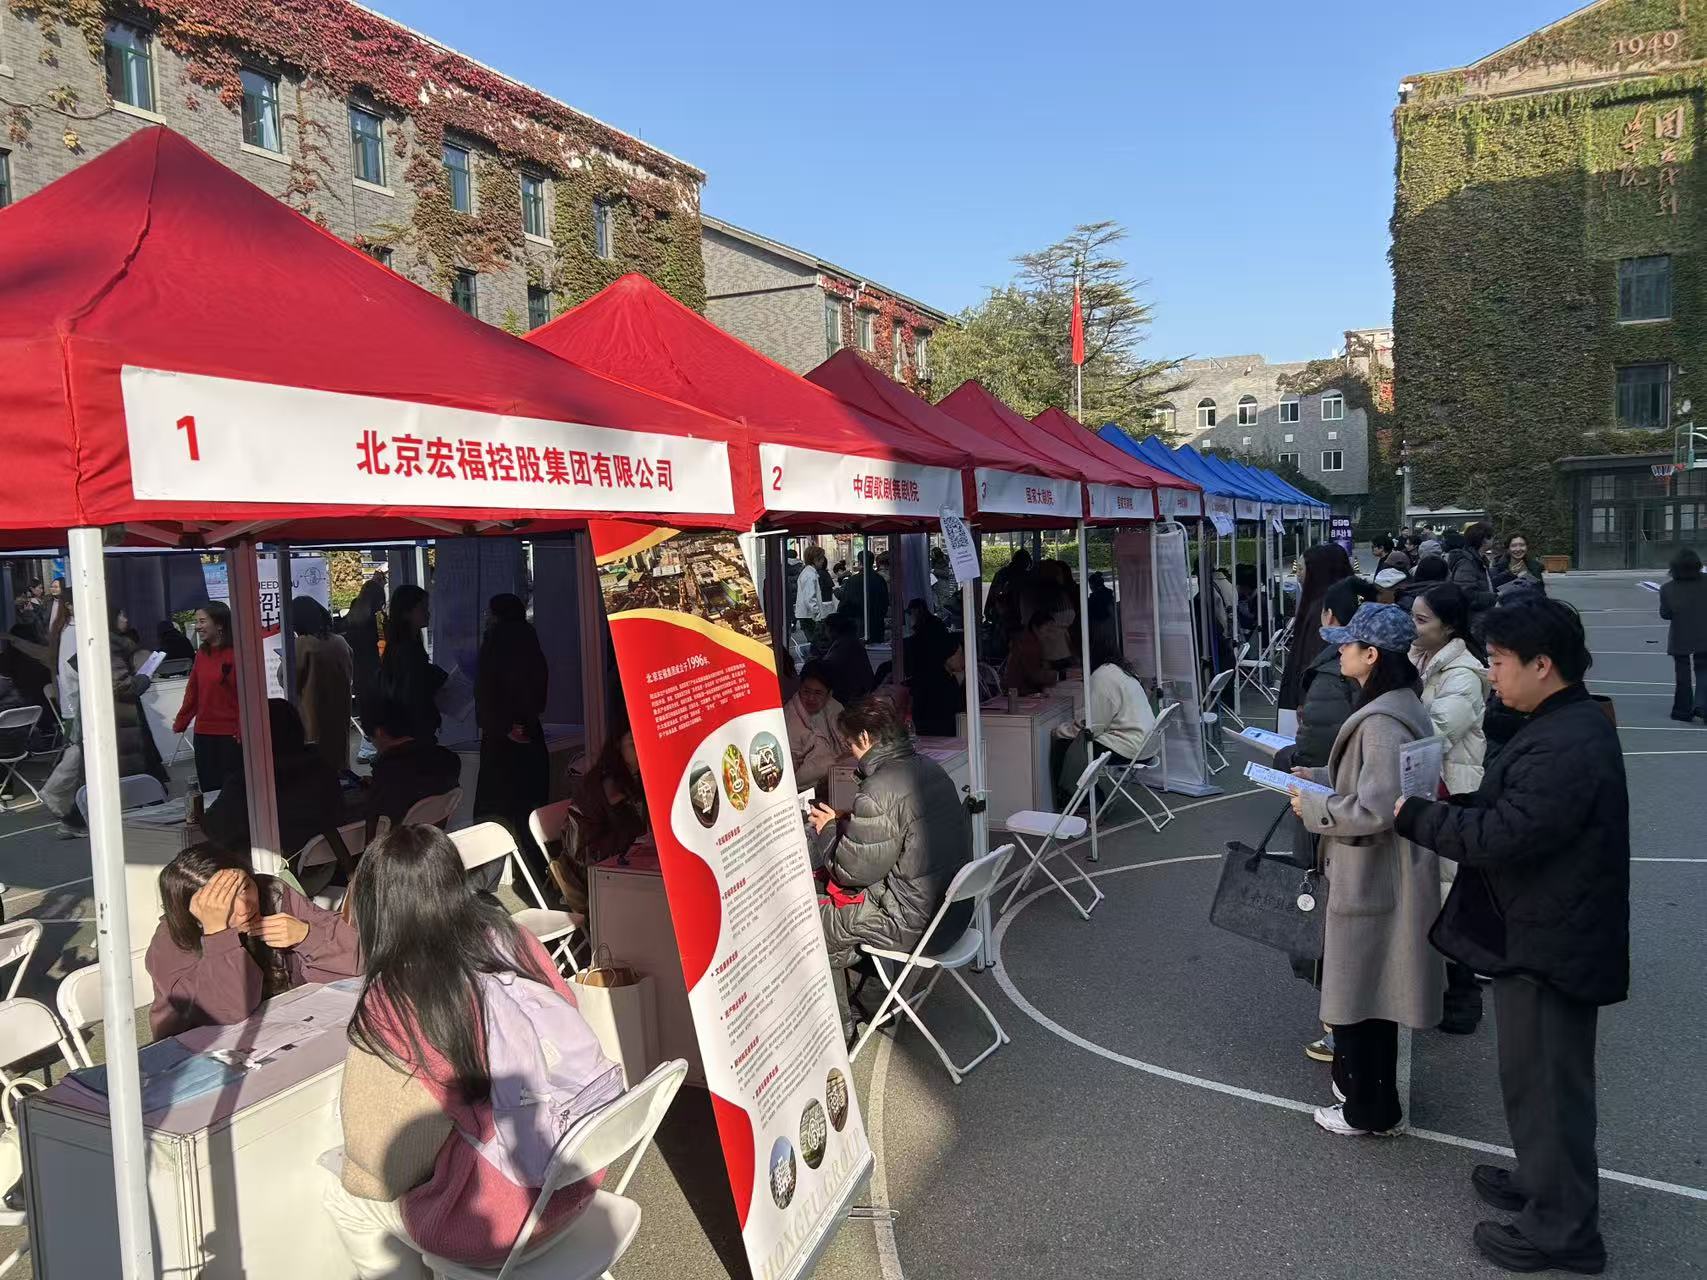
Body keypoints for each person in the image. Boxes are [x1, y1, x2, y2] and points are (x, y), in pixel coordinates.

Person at [1396, 598, 1626, 1274]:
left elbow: (1504, 835)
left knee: (1550, 1085)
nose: (1491, 674)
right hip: (1540, 928)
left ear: (1542, 664)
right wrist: (1452, 804)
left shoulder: (1567, 742)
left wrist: (1415, 815)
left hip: (1554, 940)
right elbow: (1510, 807)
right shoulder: (1556, 723)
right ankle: (1542, 1180)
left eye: (1498, 661)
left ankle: (1564, 1230)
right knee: (1530, 1077)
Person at [323, 824, 617, 1278]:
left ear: (377, 906)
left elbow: (384, 1167)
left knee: (345, 1196)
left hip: (497, 1224)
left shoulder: (394, 998)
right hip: (579, 1174)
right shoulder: (512, 938)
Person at [1287, 602, 1442, 1138]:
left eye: (1347, 645)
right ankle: (1367, 1099)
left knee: (1361, 996)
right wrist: (1319, 778)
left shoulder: (1380, 722)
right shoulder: (1399, 707)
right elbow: (1374, 784)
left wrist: (1315, 805)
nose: (1339, 653)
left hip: (1370, 872)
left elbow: (1377, 808)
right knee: (1371, 995)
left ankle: (1367, 1109)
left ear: (1371, 655)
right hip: (1382, 870)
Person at [806, 696, 973, 1040]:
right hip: (954, 912)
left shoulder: (879, 789)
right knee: (850, 917)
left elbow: (851, 872)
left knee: (815, 925)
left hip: (915, 923)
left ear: (865, 738)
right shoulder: (930, 768)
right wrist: (851, 821)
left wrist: (826, 830)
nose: (850, 752)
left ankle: (841, 1032)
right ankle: (875, 1005)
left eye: (850, 744)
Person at [1275, 577, 1363, 1065]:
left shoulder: (1335, 674)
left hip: (1334, 814)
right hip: (1344, 808)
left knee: (1323, 904)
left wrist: (1299, 766)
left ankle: (1339, 1025)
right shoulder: (1390, 687)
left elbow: (1320, 744)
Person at [146, 842, 360, 1039]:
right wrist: (218, 935)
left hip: (286, 1025)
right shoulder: (171, 941)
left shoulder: (272, 894)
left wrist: (307, 935)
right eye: (223, 903)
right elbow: (229, 1013)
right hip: (201, 1047)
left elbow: (358, 959)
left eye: (245, 888)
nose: (244, 908)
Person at [1409, 583, 1491, 1035]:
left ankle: (1462, 999)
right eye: (1413, 617)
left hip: (1452, 790)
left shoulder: (1464, 674)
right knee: (1433, 892)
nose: (1414, 626)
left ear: (1450, 626)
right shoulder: (1419, 658)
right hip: (1428, 788)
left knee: (1449, 893)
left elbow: (1436, 732)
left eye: (1422, 620)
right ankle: (1439, 991)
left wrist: (1387, 736)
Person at [39, 594, 166, 837]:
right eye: (121, 614)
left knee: (104, 773)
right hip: (115, 721)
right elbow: (122, 686)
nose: (126, 619)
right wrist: (143, 678)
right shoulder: (108, 646)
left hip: (111, 719)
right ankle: (77, 819)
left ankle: (80, 818)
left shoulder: (103, 642)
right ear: (110, 618)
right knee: (110, 774)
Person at [202, 699, 347, 860]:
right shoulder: (322, 767)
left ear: (255, 735)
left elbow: (217, 829)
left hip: (275, 867)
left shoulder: (248, 781)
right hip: (328, 863)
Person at [473, 594, 551, 887]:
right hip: (530, 735)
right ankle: (538, 876)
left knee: (494, 814)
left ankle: (484, 882)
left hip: (501, 741)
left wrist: (503, 726)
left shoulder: (494, 643)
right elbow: (538, 693)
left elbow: (485, 692)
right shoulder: (530, 641)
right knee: (530, 812)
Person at [555, 727, 648, 912]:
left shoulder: (638, 777)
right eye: (633, 744)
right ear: (617, 745)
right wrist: (629, 835)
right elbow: (582, 854)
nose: (641, 749)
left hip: (627, 863)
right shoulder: (598, 787)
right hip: (597, 876)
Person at [363, 699, 463, 843]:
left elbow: (376, 819)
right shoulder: (449, 758)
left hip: (395, 844)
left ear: (379, 732)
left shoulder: (388, 770)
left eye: (369, 738)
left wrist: (373, 790)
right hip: (430, 841)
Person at [1278, 543, 1356, 716]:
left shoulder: (1323, 610)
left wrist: (1303, 699)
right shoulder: (1343, 601)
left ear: (1318, 571)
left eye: (1301, 568)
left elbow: (1313, 657)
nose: (1298, 574)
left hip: (1314, 701)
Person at [174, 601, 242, 793]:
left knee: (231, 791)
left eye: (202, 621)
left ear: (219, 624)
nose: (198, 626)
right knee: (209, 790)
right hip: (204, 733)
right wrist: (182, 720)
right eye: (197, 622)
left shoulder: (238, 654)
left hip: (231, 735)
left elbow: (245, 698)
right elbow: (193, 691)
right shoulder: (201, 654)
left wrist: (242, 729)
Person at [293, 596, 356, 773]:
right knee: (339, 764)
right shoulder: (340, 642)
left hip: (313, 718)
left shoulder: (302, 644)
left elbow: (287, 679)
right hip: (340, 712)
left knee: (317, 770)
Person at [379, 585, 446, 744]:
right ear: (406, 613)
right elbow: (414, 693)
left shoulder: (401, 644)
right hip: (414, 730)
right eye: (422, 609)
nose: (428, 613)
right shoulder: (407, 649)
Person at [784, 660, 846, 792]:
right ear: (800, 688)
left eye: (818, 693)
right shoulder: (789, 717)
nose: (811, 698)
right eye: (806, 691)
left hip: (839, 778)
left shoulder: (835, 707)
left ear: (829, 694)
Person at [1660, 547, 1707, 723]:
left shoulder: (1667, 589)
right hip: (1705, 633)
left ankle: (1683, 709)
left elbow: (1665, 614)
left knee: (1682, 674)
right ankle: (1702, 704)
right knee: (1704, 670)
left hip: (1681, 635)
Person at [903, 600, 960, 736]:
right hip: (937, 688)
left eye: (911, 613)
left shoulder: (920, 636)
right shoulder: (936, 626)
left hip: (926, 690)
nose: (910, 617)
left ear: (917, 611)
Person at [344, 573, 388, 726]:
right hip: (377, 673)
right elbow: (384, 644)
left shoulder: (353, 615)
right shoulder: (377, 620)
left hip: (359, 673)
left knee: (367, 718)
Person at [819, 613, 875, 707]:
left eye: (826, 628)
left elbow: (828, 666)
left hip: (852, 698)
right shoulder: (849, 642)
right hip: (856, 695)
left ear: (832, 629)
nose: (824, 632)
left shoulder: (845, 644)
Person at [1002, 611, 1060, 696]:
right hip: (1020, 693)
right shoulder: (1029, 645)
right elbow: (1034, 676)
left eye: (1052, 631)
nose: (1050, 635)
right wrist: (1057, 675)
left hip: (1018, 690)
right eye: (1048, 630)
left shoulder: (1028, 639)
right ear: (1035, 628)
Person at [836, 550, 889, 642]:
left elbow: (845, 604)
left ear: (860, 563)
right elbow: (885, 602)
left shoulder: (852, 581)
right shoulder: (880, 580)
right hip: (877, 624)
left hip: (858, 625)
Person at [1448, 523, 1497, 617]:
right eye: (1491, 537)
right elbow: (1466, 594)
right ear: (1484, 540)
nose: (1493, 540)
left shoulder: (1478, 559)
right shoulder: (1467, 562)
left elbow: (1484, 582)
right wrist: (1495, 597)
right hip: (1472, 618)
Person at [794, 546, 837, 644]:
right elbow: (810, 598)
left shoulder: (808, 572)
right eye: (821, 558)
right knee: (817, 643)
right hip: (810, 616)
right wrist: (818, 615)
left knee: (815, 643)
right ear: (814, 559)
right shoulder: (810, 575)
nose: (823, 561)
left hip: (808, 615)